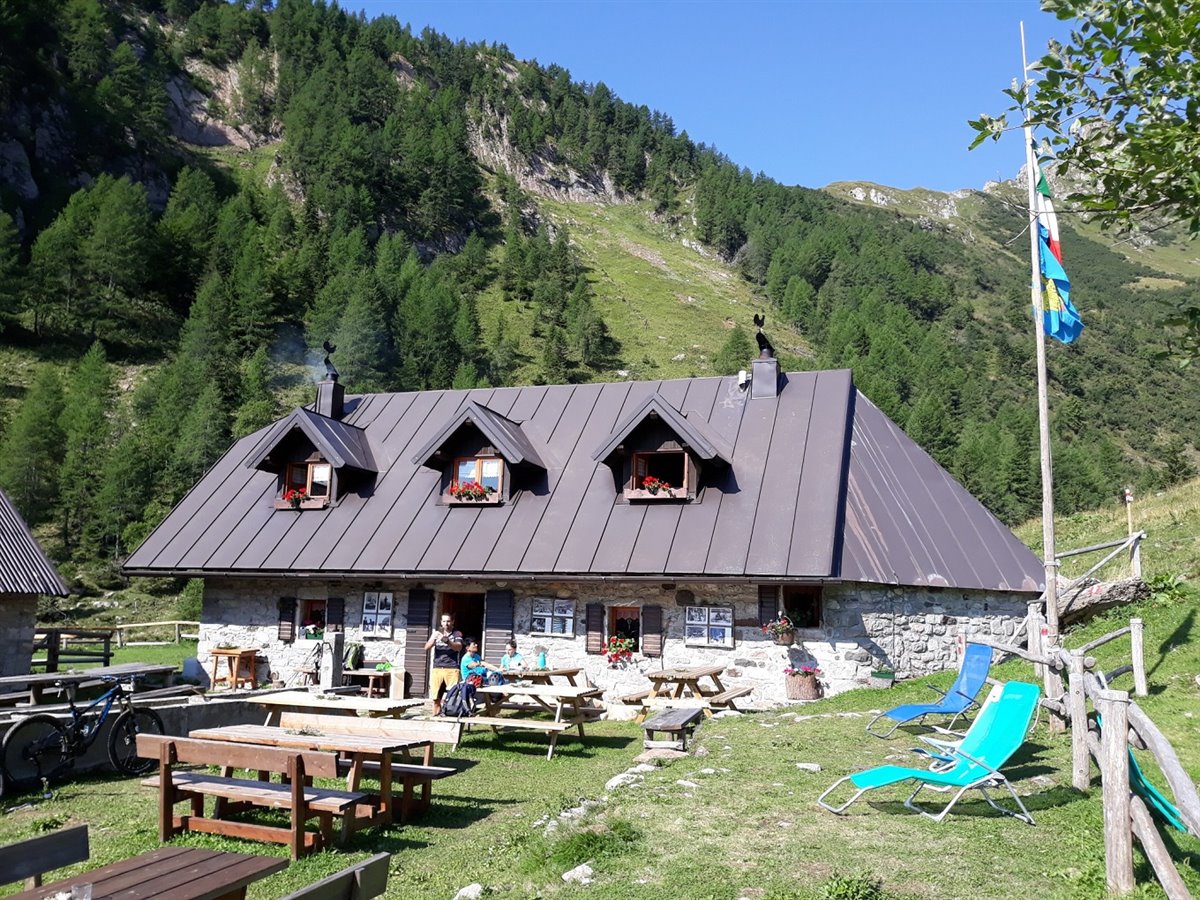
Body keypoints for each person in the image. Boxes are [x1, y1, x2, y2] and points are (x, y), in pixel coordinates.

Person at [424, 613, 463, 715]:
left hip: (452, 668)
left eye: (448, 621)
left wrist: (447, 641)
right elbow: (426, 647)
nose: (446, 624)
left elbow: (458, 647)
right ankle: (436, 715)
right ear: (441, 622)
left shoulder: (457, 634)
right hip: (437, 667)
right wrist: (434, 638)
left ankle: (449, 713)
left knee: (452, 694)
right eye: (444, 621)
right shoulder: (437, 633)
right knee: (435, 696)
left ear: (452, 622)